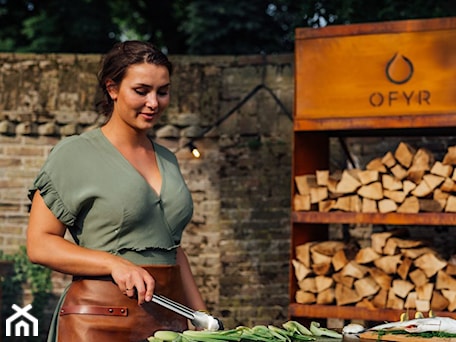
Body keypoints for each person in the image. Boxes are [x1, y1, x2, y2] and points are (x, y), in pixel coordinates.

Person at [26, 41, 207, 341]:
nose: (154, 102)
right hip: (98, 321)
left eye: (162, 91)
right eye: (141, 90)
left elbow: (173, 250)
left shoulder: (168, 159)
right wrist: (113, 263)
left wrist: (204, 319)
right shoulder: (75, 153)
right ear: (112, 89)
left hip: (169, 325)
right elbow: (40, 244)